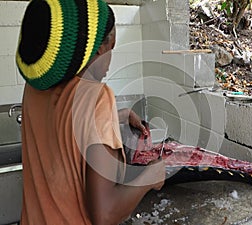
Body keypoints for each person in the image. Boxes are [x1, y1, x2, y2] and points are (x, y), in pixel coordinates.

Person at [16, 0, 165, 224]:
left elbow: (63, 129)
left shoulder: (34, 89)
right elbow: (104, 214)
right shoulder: (97, 96)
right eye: (111, 49)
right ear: (97, 49)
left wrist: (118, 116)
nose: (109, 63)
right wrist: (151, 176)